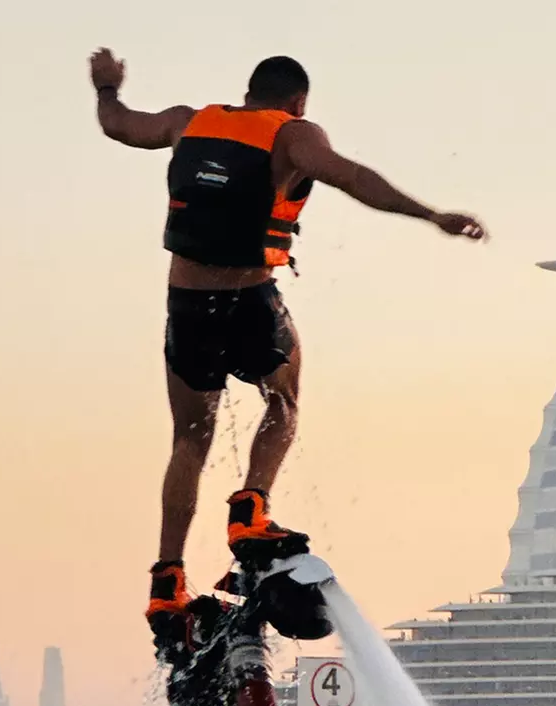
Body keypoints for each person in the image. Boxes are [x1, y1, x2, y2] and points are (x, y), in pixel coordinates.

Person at [89, 48, 486, 666]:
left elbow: (119, 126)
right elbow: (354, 178)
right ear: (298, 101)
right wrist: (430, 214)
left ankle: (167, 583)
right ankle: (249, 512)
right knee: (284, 397)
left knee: (189, 440)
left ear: (247, 92)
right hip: (248, 299)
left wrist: (107, 88)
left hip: (185, 305)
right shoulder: (294, 134)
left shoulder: (186, 121)